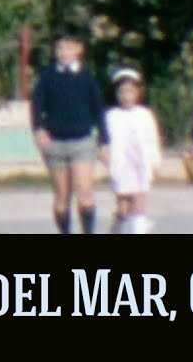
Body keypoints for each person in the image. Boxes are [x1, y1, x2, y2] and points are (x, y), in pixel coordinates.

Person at [30, 36, 107, 234]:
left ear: (78, 50)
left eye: (68, 48)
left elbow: (98, 109)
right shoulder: (48, 77)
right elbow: (37, 105)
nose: (63, 53)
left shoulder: (87, 77)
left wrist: (104, 140)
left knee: (84, 192)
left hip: (82, 141)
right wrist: (38, 129)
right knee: (62, 196)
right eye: (59, 49)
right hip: (55, 143)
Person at [102, 69, 163, 234]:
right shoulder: (111, 116)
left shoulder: (145, 114)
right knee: (123, 207)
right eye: (122, 92)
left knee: (139, 202)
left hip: (140, 164)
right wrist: (106, 157)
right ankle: (118, 227)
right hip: (121, 165)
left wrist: (155, 162)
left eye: (130, 91)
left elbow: (152, 139)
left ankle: (139, 228)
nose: (126, 96)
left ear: (137, 93)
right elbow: (105, 141)